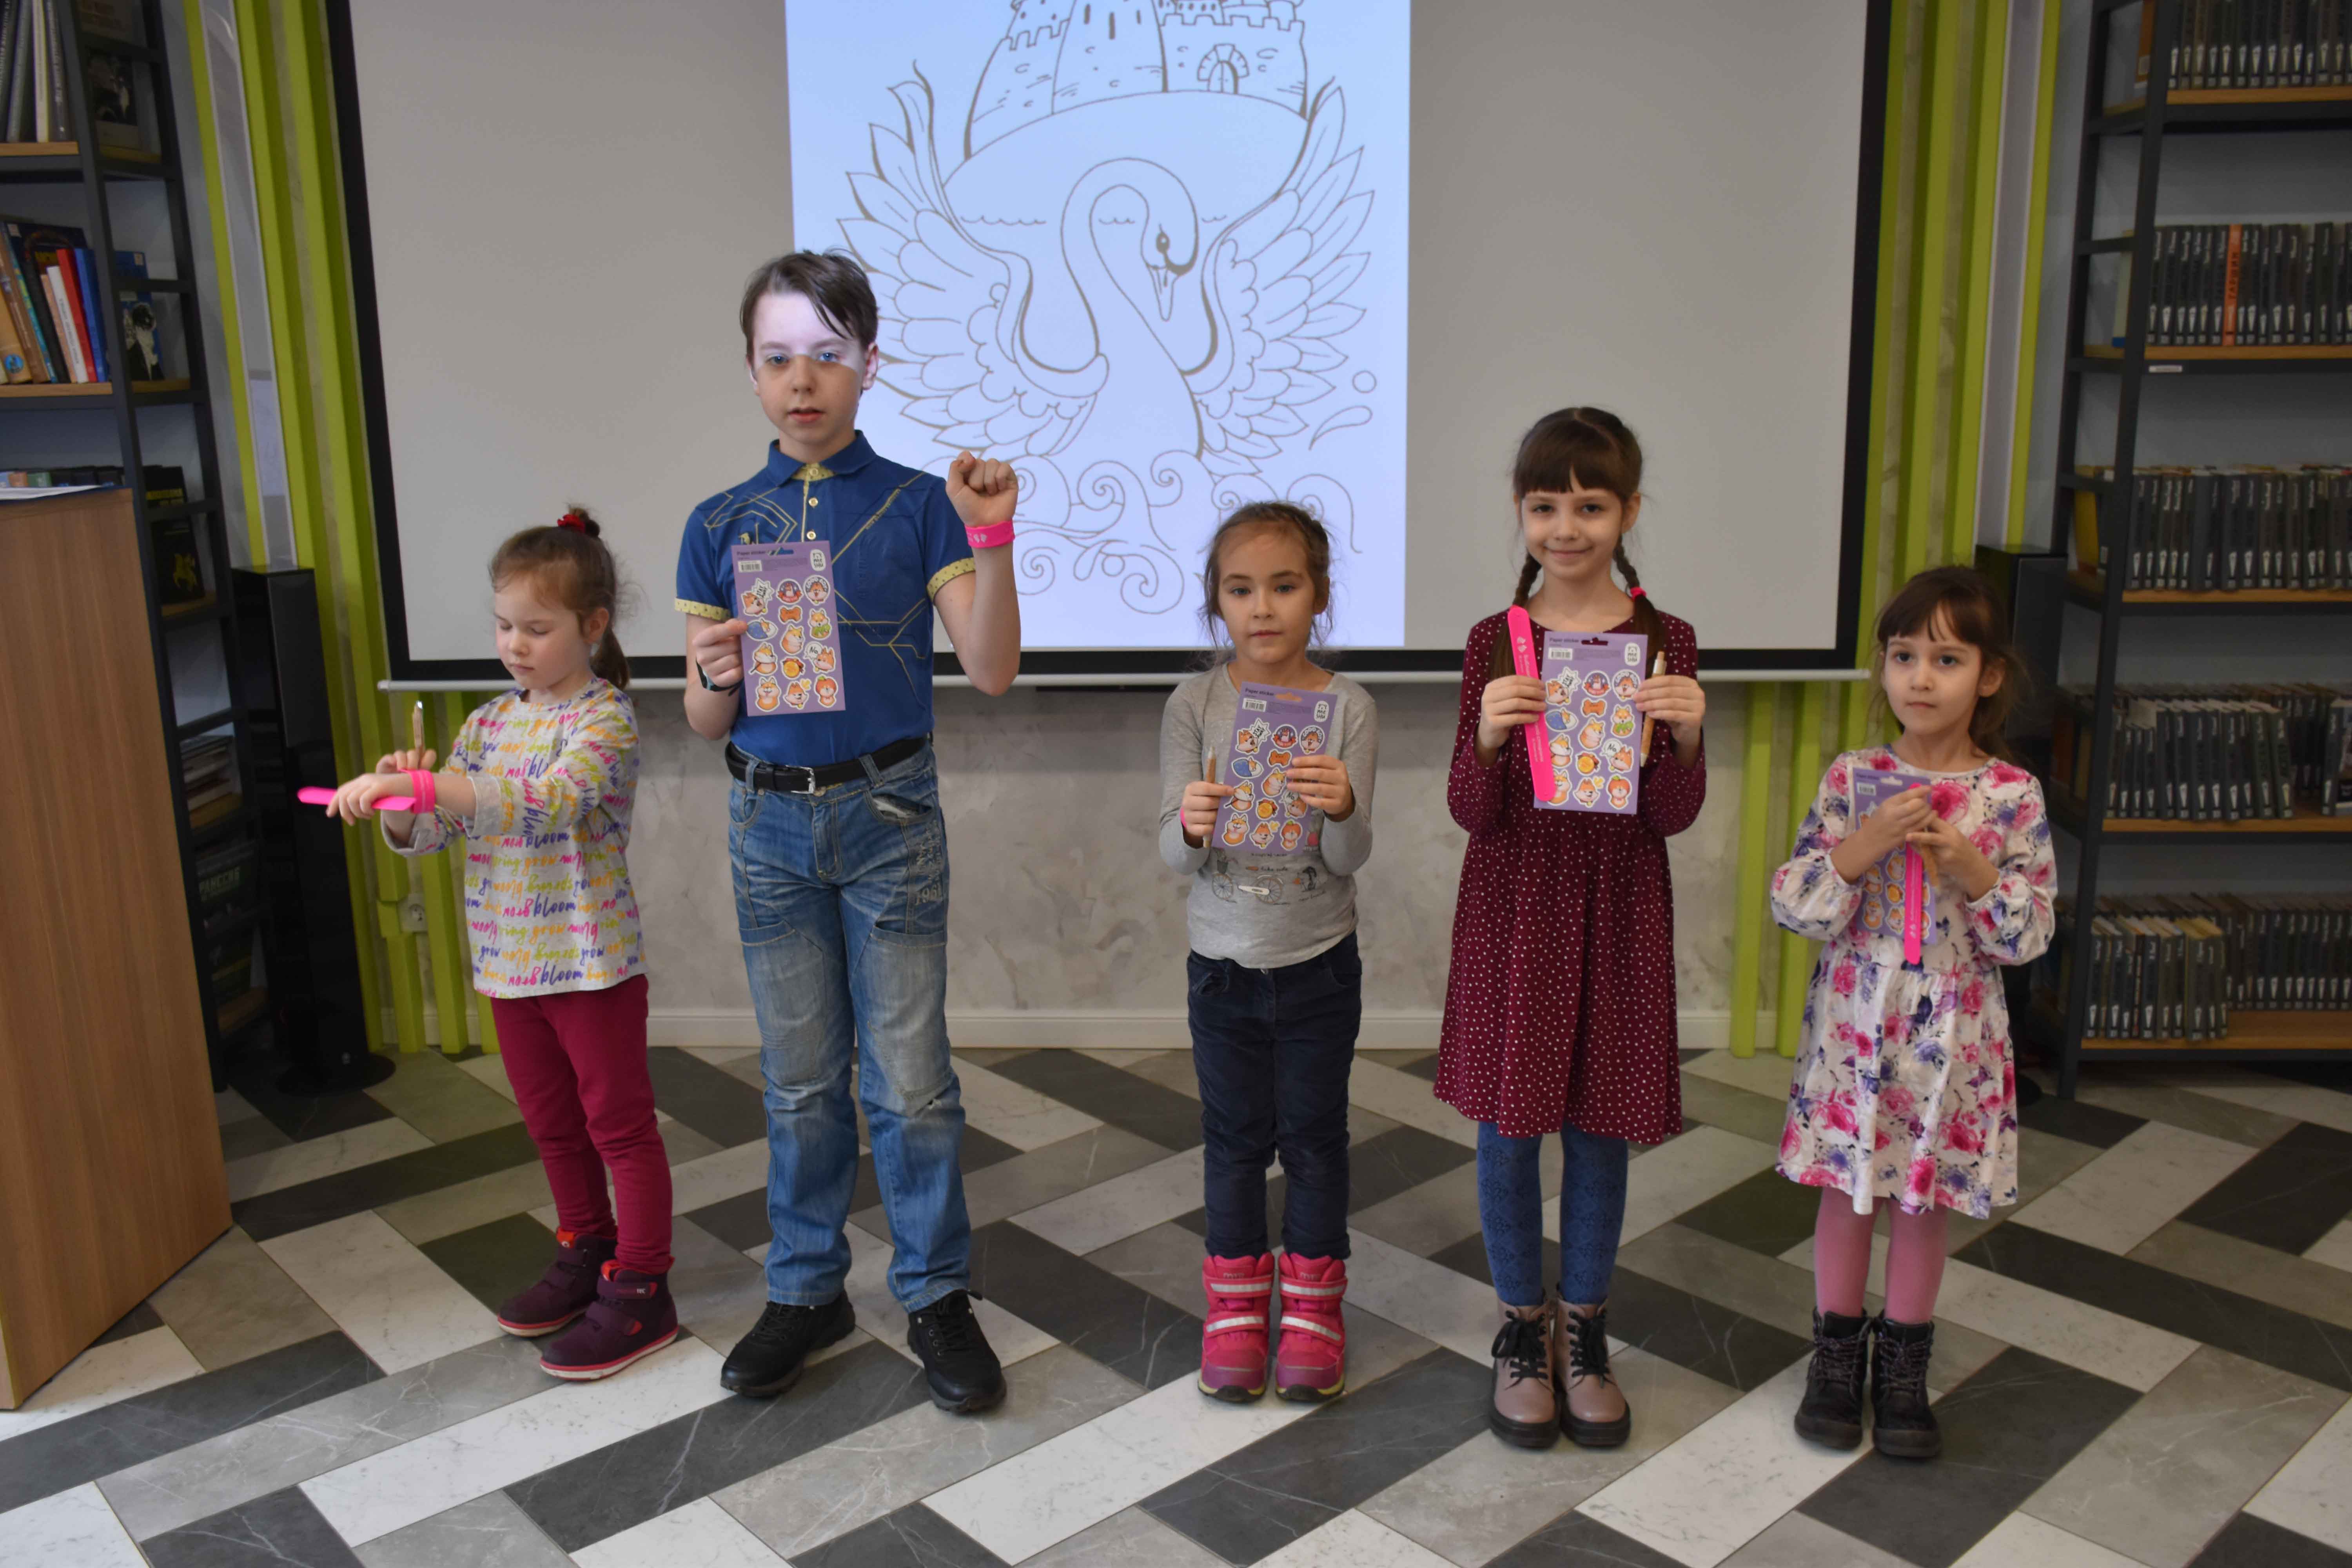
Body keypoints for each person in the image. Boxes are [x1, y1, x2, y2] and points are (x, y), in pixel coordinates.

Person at [676, 250, 1021, 1412]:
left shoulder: (920, 503)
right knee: (799, 1082)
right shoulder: (719, 522)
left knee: (912, 1083)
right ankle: (807, 1287)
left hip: (889, 815)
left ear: (870, 364)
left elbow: (990, 670)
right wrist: (712, 674)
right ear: (749, 372)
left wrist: (991, 536)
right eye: (779, 357)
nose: (802, 380)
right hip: (766, 820)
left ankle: (935, 1291)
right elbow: (705, 719)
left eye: (827, 355)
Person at [328, 509, 672, 1381]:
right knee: (553, 1126)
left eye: (537, 628)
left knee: (618, 1127)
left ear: (593, 626)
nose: (515, 644)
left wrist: (431, 785)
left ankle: (642, 1286)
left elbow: (545, 803)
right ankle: (586, 1247)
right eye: (504, 625)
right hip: (508, 965)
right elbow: (439, 832)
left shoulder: (605, 718)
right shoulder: (485, 724)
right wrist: (406, 805)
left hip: (590, 963)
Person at [1436, 408, 1708, 1449]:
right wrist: (1487, 738)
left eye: (1590, 506)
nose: (1566, 527)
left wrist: (1690, 738)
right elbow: (1472, 811)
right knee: (1510, 1130)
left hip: (1620, 909)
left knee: (1601, 1125)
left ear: (1629, 511)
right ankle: (1520, 1327)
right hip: (1518, 907)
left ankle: (1585, 1330)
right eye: (1545, 505)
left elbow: (1670, 816)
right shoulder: (1493, 643)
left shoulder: (1668, 640)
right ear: (1521, 510)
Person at [1771, 565, 2054, 1460]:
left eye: (1946, 658)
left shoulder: (2012, 794)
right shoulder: (1854, 777)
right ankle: (1834, 1357)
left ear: (1990, 675)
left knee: (1923, 1197)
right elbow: (1797, 903)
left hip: (1955, 1031)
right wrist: (1863, 846)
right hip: (1858, 1023)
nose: (1920, 678)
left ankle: (1904, 1366)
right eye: (1903, 656)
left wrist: (1975, 868)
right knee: (1847, 1189)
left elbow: (2029, 934)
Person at [1159, 502, 1378, 1404]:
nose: (1262, 608)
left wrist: (1341, 807)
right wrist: (1189, 822)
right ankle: (1236, 1313)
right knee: (1235, 1140)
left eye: (1284, 586)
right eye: (1240, 589)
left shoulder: (1349, 706)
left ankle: (1316, 1314)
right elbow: (1175, 855)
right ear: (1217, 601)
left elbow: (1352, 856)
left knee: (1317, 1139)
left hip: (1320, 960)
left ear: (1318, 595)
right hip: (1222, 967)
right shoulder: (1194, 704)